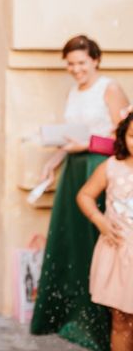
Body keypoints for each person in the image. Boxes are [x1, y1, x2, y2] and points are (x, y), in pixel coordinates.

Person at [31, 35, 129, 350]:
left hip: (99, 168)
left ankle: (104, 324)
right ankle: (75, 316)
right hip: (75, 171)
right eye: (70, 64)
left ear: (96, 60)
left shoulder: (109, 88)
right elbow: (69, 137)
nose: (75, 69)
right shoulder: (73, 92)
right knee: (73, 242)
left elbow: (122, 136)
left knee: (95, 242)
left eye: (81, 63)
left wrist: (87, 144)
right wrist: (53, 162)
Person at [77, 112, 133, 351]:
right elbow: (85, 195)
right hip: (118, 254)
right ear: (123, 136)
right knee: (121, 320)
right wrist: (99, 220)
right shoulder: (111, 167)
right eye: (132, 135)